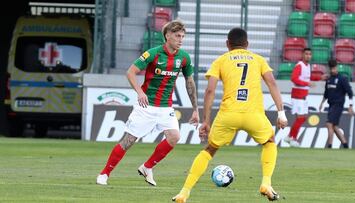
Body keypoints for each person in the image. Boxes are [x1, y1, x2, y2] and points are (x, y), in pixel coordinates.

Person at [172, 27, 288, 203]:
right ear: (247, 44)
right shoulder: (258, 60)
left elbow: (210, 90)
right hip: (253, 114)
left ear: (227, 44)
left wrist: (206, 121)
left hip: (228, 114)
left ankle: (184, 193)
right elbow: (271, 82)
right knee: (269, 142)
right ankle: (266, 183)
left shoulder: (220, 60)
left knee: (209, 150)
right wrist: (281, 113)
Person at [96, 20, 199, 186]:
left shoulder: (184, 57)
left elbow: (190, 82)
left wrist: (195, 109)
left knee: (174, 137)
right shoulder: (153, 53)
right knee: (128, 140)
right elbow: (131, 72)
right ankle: (104, 173)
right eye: (177, 36)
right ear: (167, 36)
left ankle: (147, 167)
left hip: (166, 107)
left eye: (182, 36)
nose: (181, 39)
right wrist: (140, 91)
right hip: (146, 107)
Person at [319, 59, 354, 149]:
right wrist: (322, 103)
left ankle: (329, 146)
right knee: (334, 126)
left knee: (329, 124)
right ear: (330, 69)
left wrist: (350, 106)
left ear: (337, 67)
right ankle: (345, 144)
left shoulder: (342, 79)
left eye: (334, 68)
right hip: (331, 105)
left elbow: (350, 92)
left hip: (338, 105)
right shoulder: (329, 79)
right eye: (331, 68)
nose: (333, 70)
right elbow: (326, 93)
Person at [283, 48, 315, 147]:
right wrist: (307, 83)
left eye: (310, 54)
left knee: (302, 118)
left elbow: (306, 77)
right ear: (302, 55)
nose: (308, 56)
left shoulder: (308, 66)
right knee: (300, 118)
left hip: (303, 96)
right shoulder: (299, 65)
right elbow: (294, 78)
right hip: (297, 96)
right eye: (306, 54)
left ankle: (289, 137)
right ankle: (292, 138)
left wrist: (319, 78)